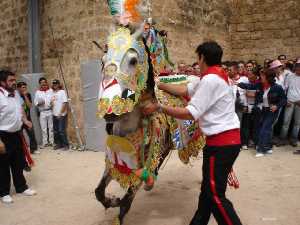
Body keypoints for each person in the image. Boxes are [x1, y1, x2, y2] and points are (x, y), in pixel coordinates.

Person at [144, 41, 242, 225]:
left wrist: (159, 107)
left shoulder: (210, 80)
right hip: (223, 142)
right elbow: (184, 89)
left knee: (215, 195)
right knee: (207, 191)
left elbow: (190, 112)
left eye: (198, 58)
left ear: (202, 57)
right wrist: (160, 84)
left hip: (221, 144)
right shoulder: (215, 76)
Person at [0, 70, 37, 204]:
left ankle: (21, 187)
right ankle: (4, 192)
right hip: (3, 135)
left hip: (16, 133)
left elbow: (20, 109)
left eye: (14, 80)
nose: (14, 82)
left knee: (18, 162)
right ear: (2, 82)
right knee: (3, 165)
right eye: (10, 80)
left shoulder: (16, 94)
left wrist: (25, 120)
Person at [238, 69, 287, 157]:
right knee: (264, 129)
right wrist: (238, 83)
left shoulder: (277, 87)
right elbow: (248, 86)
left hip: (271, 111)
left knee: (264, 129)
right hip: (262, 110)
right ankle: (267, 148)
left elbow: (284, 99)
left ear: (269, 78)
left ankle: (260, 150)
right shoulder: (259, 85)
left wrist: (276, 106)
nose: (261, 77)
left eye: (263, 76)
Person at [278, 61, 300, 147]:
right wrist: (285, 100)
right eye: (297, 67)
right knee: (286, 122)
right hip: (289, 101)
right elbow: (285, 88)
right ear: (295, 68)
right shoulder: (290, 76)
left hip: (299, 103)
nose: (298, 69)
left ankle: (294, 139)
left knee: (297, 123)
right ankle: (282, 139)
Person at [17, 82, 39, 154]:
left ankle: (33, 149)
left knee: (31, 134)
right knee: (20, 136)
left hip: (28, 118)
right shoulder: (15, 95)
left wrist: (25, 96)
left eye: (25, 87)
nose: (25, 89)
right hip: (19, 119)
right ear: (18, 88)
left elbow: (29, 106)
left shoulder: (28, 95)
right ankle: (22, 151)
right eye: (23, 87)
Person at [34, 77, 54, 148]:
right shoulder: (37, 92)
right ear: (40, 84)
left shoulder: (50, 90)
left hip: (50, 110)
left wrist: (52, 102)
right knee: (44, 128)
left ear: (46, 82)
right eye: (41, 82)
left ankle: (52, 141)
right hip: (42, 112)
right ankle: (45, 142)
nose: (43, 83)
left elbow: (53, 98)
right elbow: (35, 103)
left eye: (44, 82)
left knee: (51, 127)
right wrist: (39, 103)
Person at [51, 79, 69, 150]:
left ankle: (66, 145)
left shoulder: (62, 92)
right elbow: (52, 103)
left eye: (56, 84)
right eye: (54, 84)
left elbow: (65, 103)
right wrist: (51, 104)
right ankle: (59, 144)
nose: (55, 85)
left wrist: (60, 113)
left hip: (61, 114)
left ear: (58, 84)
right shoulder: (52, 93)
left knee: (61, 130)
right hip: (54, 114)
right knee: (56, 131)